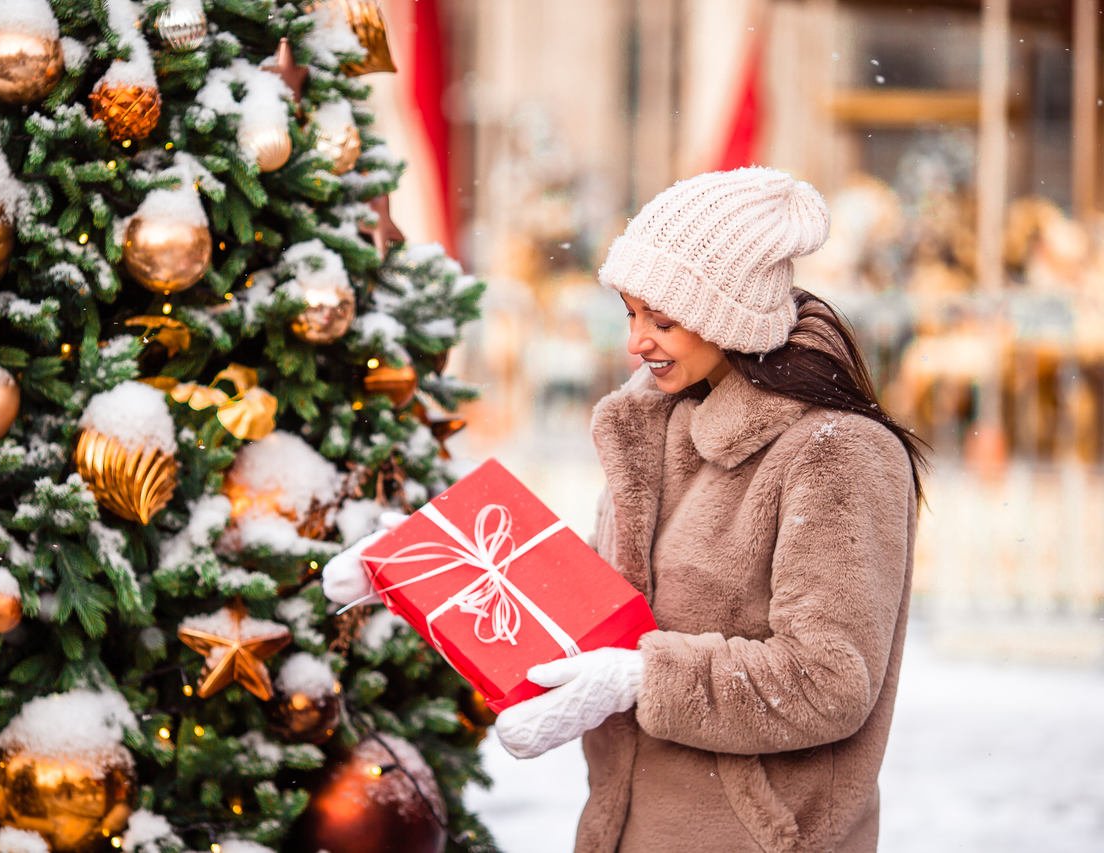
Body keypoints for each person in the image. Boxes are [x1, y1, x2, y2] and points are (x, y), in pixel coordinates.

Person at [323, 167, 927, 852]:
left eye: (662, 319)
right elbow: (584, 608)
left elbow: (829, 680)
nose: (636, 341)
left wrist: (643, 676)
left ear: (727, 315)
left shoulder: (838, 451)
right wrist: (423, 565)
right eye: (631, 314)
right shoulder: (659, 428)